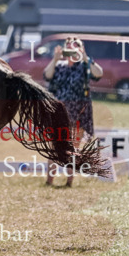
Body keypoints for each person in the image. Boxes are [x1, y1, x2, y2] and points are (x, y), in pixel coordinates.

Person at [42, 36, 103, 186]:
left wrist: (85, 58)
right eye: (68, 47)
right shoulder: (59, 64)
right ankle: (50, 180)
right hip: (60, 109)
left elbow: (99, 73)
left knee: (74, 146)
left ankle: (69, 180)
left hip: (78, 110)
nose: (71, 51)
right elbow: (47, 75)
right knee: (55, 145)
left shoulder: (85, 65)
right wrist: (55, 59)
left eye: (75, 47)